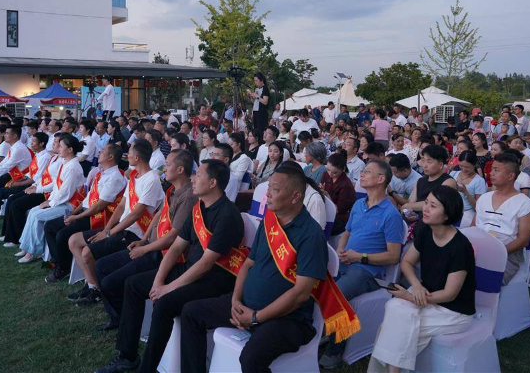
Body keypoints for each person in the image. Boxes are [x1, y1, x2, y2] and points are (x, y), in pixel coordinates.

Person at [180, 165, 339, 373]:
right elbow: (248, 264)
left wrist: (256, 318)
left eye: (275, 189)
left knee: (251, 358)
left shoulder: (311, 235)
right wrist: (235, 301)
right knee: (191, 313)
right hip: (246, 305)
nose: (268, 194)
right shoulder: (270, 222)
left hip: (287, 319)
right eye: (269, 187)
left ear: (296, 196)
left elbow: (301, 293)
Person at [94, 160, 244, 373]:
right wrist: (158, 281)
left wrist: (167, 288)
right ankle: (127, 356)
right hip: (189, 269)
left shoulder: (227, 215)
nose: (193, 178)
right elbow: (176, 247)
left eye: (199, 175)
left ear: (213, 183)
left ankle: (147, 368)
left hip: (214, 280)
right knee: (133, 284)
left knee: (165, 303)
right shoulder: (199, 207)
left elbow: (206, 263)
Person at [368, 185, 475, 373]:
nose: (425, 209)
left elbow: (450, 294)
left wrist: (409, 296)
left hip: (453, 310)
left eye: (433, 206)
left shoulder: (460, 247)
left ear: (447, 215)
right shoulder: (425, 230)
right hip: (425, 295)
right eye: (426, 203)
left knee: (398, 325)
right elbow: (407, 262)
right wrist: (416, 285)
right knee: (395, 311)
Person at [94, 150, 197, 330]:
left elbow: (173, 237)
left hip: (161, 254)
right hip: (150, 245)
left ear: (180, 169)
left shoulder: (188, 197)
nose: (164, 168)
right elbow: (158, 216)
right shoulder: (173, 190)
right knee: (101, 266)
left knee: (113, 283)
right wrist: (144, 241)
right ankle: (118, 317)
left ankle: (124, 320)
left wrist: (145, 249)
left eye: (168, 164)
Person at [319, 160, 403, 369]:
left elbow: (393, 256)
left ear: (381, 179)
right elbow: (347, 232)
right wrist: (341, 250)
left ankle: (335, 350)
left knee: (337, 294)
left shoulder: (390, 214)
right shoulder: (359, 205)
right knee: (313, 282)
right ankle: (317, 333)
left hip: (367, 271)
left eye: (367, 171)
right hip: (346, 261)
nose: (362, 174)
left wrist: (360, 257)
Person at [66, 140, 164, 304]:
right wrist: (107, 230)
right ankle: (92, 286)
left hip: (134, 233)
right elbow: (121, 206)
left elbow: (135, 215)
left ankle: (96, 291)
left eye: (130, 152)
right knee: (74, 241)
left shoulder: (151, 180)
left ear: (137, 157)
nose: (127, 155)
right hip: (121, 228)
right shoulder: (135, 176)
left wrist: (109, 233)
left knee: (87, 252)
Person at [16, 133, 86, 263]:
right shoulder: (66, 163)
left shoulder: (72, 167)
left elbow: (66, 193)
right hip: (61, 201)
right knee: (33, 212)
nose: (58, 148)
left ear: (70, 150)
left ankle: (33, 251)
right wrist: (47, 198)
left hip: (70, 205)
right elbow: (57, 186)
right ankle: (26, 247)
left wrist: (51, 203)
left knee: (37, 216)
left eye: (61, 146)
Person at [474, 154, 530, 284]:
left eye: (496, 170)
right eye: (492, 169)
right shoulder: (484, 198)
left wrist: (497, 252)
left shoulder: (526, 204)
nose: (491, 173)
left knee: (475, 278)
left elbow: (523, 240)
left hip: (505, 254)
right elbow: (472, 228)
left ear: (510, 176)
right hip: (477, 249)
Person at [1, 133, 64, 250]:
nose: (53, 144)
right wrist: (34, 186)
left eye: (56, 142)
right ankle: (7, 233)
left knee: (16, 205)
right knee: (12, 199)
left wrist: (36, 188)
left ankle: (15, 238)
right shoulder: (54, 158)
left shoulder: (60, 161)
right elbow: (43, 177)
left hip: (47, 194)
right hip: (39, 187)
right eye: (54, 142)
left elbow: (55, 182)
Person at [322, 151, 357, 235]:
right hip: (325, 210)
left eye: (335, 172)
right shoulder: (325, 175)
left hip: (339, 218)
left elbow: (337, 211)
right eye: (328, 170)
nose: (330, 174)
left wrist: (327, 195)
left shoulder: (346, 185)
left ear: (343, 169)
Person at [450, 150, 488, 227]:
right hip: (450, 211)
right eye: (461, 166)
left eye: (467, 167)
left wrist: (465, 192)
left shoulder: (479, 181)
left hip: (466, 214)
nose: (463, 169)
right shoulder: (453, 174)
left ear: (474, 165)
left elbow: (478, 207)